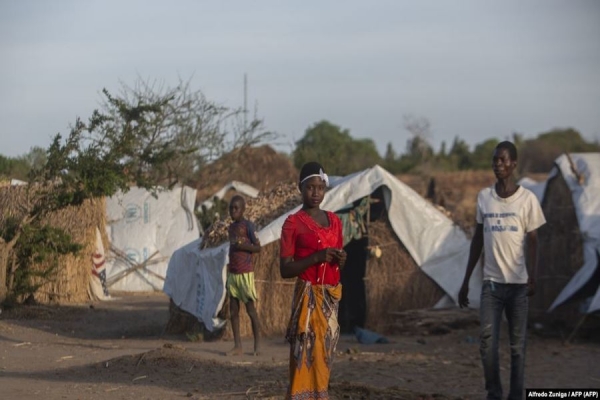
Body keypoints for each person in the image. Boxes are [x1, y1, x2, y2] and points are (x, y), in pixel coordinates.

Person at [459, 141, 546, 400]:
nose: (498, 164)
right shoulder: (485, 198)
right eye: (495, 160)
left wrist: (533, 275)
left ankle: (516, 395)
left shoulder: (527, 200)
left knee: (517, 347)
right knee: (487, 343)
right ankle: (494, 393)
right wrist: (465, 281)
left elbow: (533, 240)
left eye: (503, 160)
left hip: (518, 286)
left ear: (514, 164)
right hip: (492, 285)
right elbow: (477, 239)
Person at [280, 161, 347, 400]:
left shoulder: (335, 222)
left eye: (320, 187)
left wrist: (340, 259)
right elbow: (285, 269)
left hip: (329, 300)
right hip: (307, 299)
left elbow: (337, 266)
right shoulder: (292, 224)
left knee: (323, 357)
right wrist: (316, 257)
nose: (316, 192)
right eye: (311, 187)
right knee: (303, 357)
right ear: (301, 188)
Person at [225, 195, 262, 356]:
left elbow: (258, 248)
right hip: (233, 273)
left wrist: (243, 245)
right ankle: (237, 346)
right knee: (233, 311)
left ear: (243, 209)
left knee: (250, 311)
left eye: (236, 208)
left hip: (245, 273)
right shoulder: (231, 228)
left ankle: (257, 347)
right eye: (231, 208)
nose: (233, 211)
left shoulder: (248, 226)